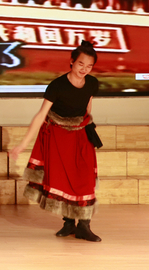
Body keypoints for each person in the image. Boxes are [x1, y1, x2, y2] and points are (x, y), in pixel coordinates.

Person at [9, 41, 102, 242]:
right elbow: (41, 114)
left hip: (81, 134)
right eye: (81, 64)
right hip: (58, 136)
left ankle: (84, 225)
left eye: (89, 66)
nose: (84, 69)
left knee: (84, 179)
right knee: (63, 178)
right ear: (72, 61)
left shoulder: (92, 83)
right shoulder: (57, 86)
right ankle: (68, 223)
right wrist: (23, 144)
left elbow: (87, 107)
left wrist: (85, 125)